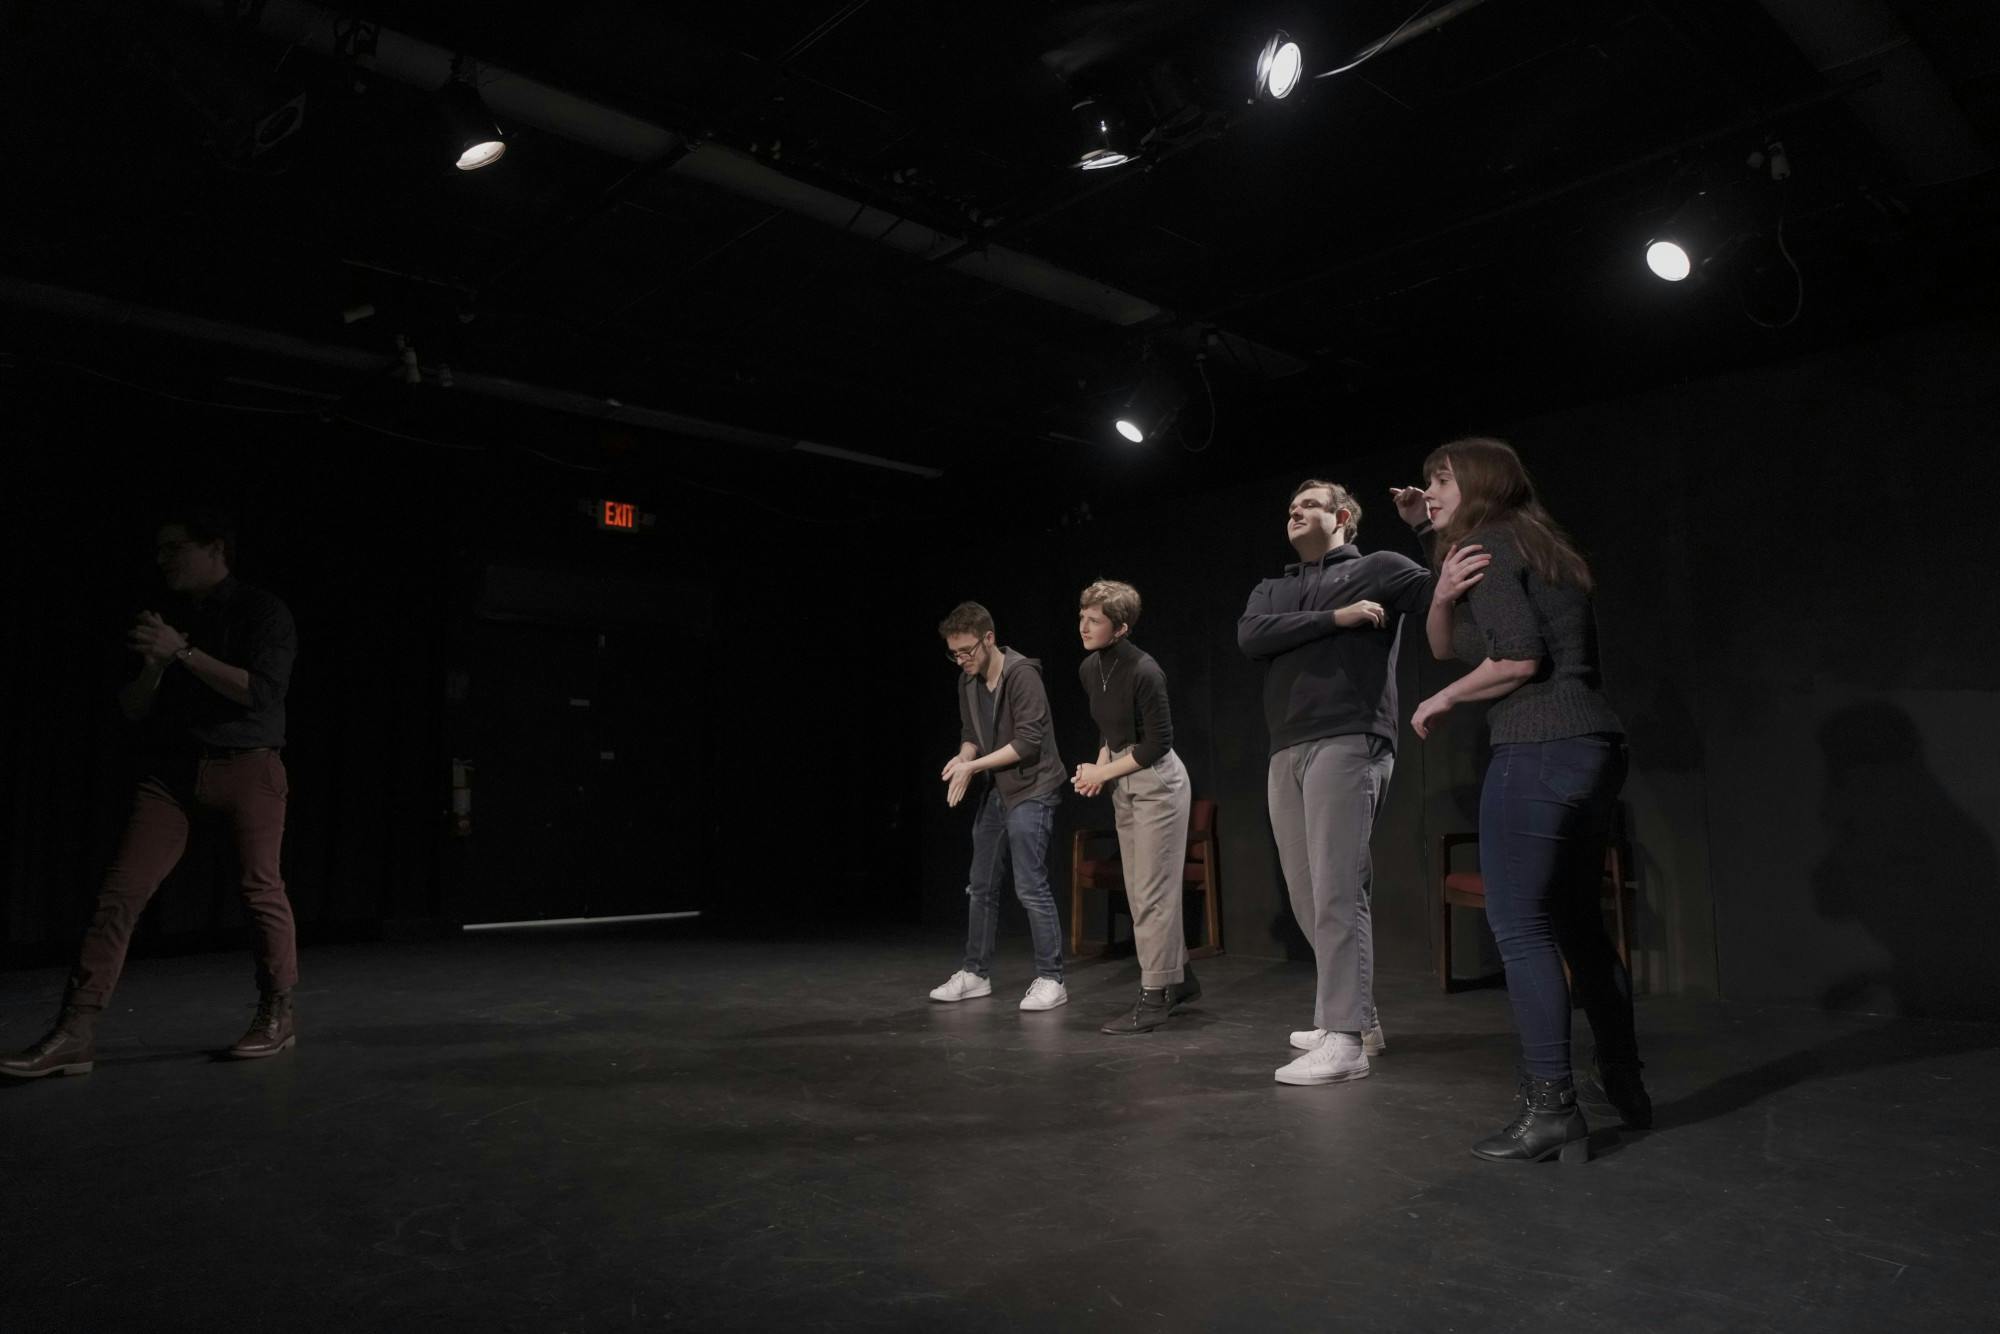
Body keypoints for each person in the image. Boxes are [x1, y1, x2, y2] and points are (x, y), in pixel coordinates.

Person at [1404, 437, 1647, 1164]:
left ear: (1477, 481)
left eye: (1441, 479)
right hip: (1594, 746)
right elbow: (1453, 642)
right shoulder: (1539, 545)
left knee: (1520, 927)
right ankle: (1625, 1084)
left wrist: (1441, 699)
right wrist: (1441, 591)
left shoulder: (1487, 544)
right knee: (1577, 924)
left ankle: (1551, 1108)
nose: (1431, 493)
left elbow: (1515, 660)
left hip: (1538, 748)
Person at [3, 510, 301, 1079]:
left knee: (260, 889)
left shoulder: (262, 611)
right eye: (158, 550)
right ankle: (76, 1031)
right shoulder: (165, 619)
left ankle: (278, 1013)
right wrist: (155, 668)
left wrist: (183, 654)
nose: (162, 560)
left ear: (215, 548)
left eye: (173, 548)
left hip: (248, 767)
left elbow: (261, 694)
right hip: (170, 775)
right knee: (119, 894)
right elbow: (134, 708)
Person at [1238, 480, 1434, 1086]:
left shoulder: (1378, 567)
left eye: (1309, 505)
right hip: (1286, 747)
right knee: (1306, 892)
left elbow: (1441, 593)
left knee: (1337, 891)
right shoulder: (1274, 587)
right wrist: (1335, 618)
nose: (1294, 512)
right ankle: (1357, 1017)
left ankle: (1345, 1040)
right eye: (1289, 506)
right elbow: (1251, 636)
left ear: (1342, 516)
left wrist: (1428, 530)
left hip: (1350, 737)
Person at [1071, 580, 1198, 1034]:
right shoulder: (1091, 668)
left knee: (1151, 893)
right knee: (1141, 887)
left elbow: (1158, 743)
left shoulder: (1146, 671)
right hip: (1124, 778)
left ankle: (1155, 994)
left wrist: (1102, 774)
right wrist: (1099, 768)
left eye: (1095, 620)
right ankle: (1178, 978)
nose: (1084, 625)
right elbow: (1111, 731)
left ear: (1120, 628)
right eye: (1082, 616)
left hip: (1157, 782)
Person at [930, 602, 1070, 1012]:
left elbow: (1027, 742)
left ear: (989, 639)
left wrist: (972, 766)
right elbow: (972, 732)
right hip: (999, 790)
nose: (962, 660)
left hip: (1034, 787)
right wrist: (963, 756)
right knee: (981, 884)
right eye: (954, 654)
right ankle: (975, 973)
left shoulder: (1023, 675)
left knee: (1030, 885)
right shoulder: (967, 682)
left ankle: (1051, 978)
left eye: (967, 651)